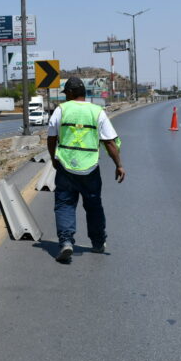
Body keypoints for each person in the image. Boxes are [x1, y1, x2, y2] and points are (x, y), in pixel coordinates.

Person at [47, 77, 126, 263]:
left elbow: (51, 138)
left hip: (66, 166)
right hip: (90, 168)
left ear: (71, 93)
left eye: (66, 94)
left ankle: (66, 242)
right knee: (93, 205)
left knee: (65, 204)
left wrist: (53, 158)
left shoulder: (61, 110)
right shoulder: (97, 111)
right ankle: (98, 243)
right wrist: (119, 165)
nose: (66, 97)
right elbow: (109, 142)